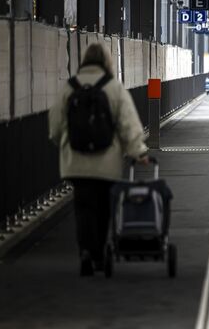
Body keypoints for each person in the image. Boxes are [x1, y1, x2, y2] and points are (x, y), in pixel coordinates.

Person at [48, 43, 149, 276]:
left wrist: (64, 144)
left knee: (83, 207)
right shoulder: (113, 87)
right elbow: (128, 124)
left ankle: (85, 250)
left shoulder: (69, 87)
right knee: (103, 207)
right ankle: (99, 255)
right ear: (106, 61)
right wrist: (139, 152)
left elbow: (55, 126)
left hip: (76, 162)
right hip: (106, 161)